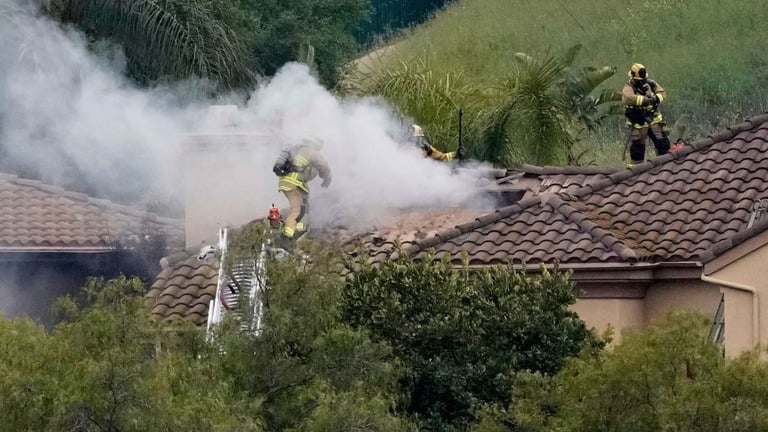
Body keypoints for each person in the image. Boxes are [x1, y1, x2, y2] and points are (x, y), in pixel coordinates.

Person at [271, 137, 331, 251]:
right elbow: (322, 163)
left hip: (292, 182)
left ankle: (298, 230)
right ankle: (286, 237)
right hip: (294, 182)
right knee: (297, 210)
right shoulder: (310, 151)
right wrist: (327, 176)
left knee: (303, 209)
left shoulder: (297, 149)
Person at [622, 63, 671, 166]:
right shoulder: (629, 87)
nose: (642, 82)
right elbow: (628, 98)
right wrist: (645, 100)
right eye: (639, 80)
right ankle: (635, 174)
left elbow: (662, 93)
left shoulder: (651, 84)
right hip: (639, 123)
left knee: (663, 145)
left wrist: (655, 98)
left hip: (654, 120)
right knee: (637, 150)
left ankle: (665, 168)